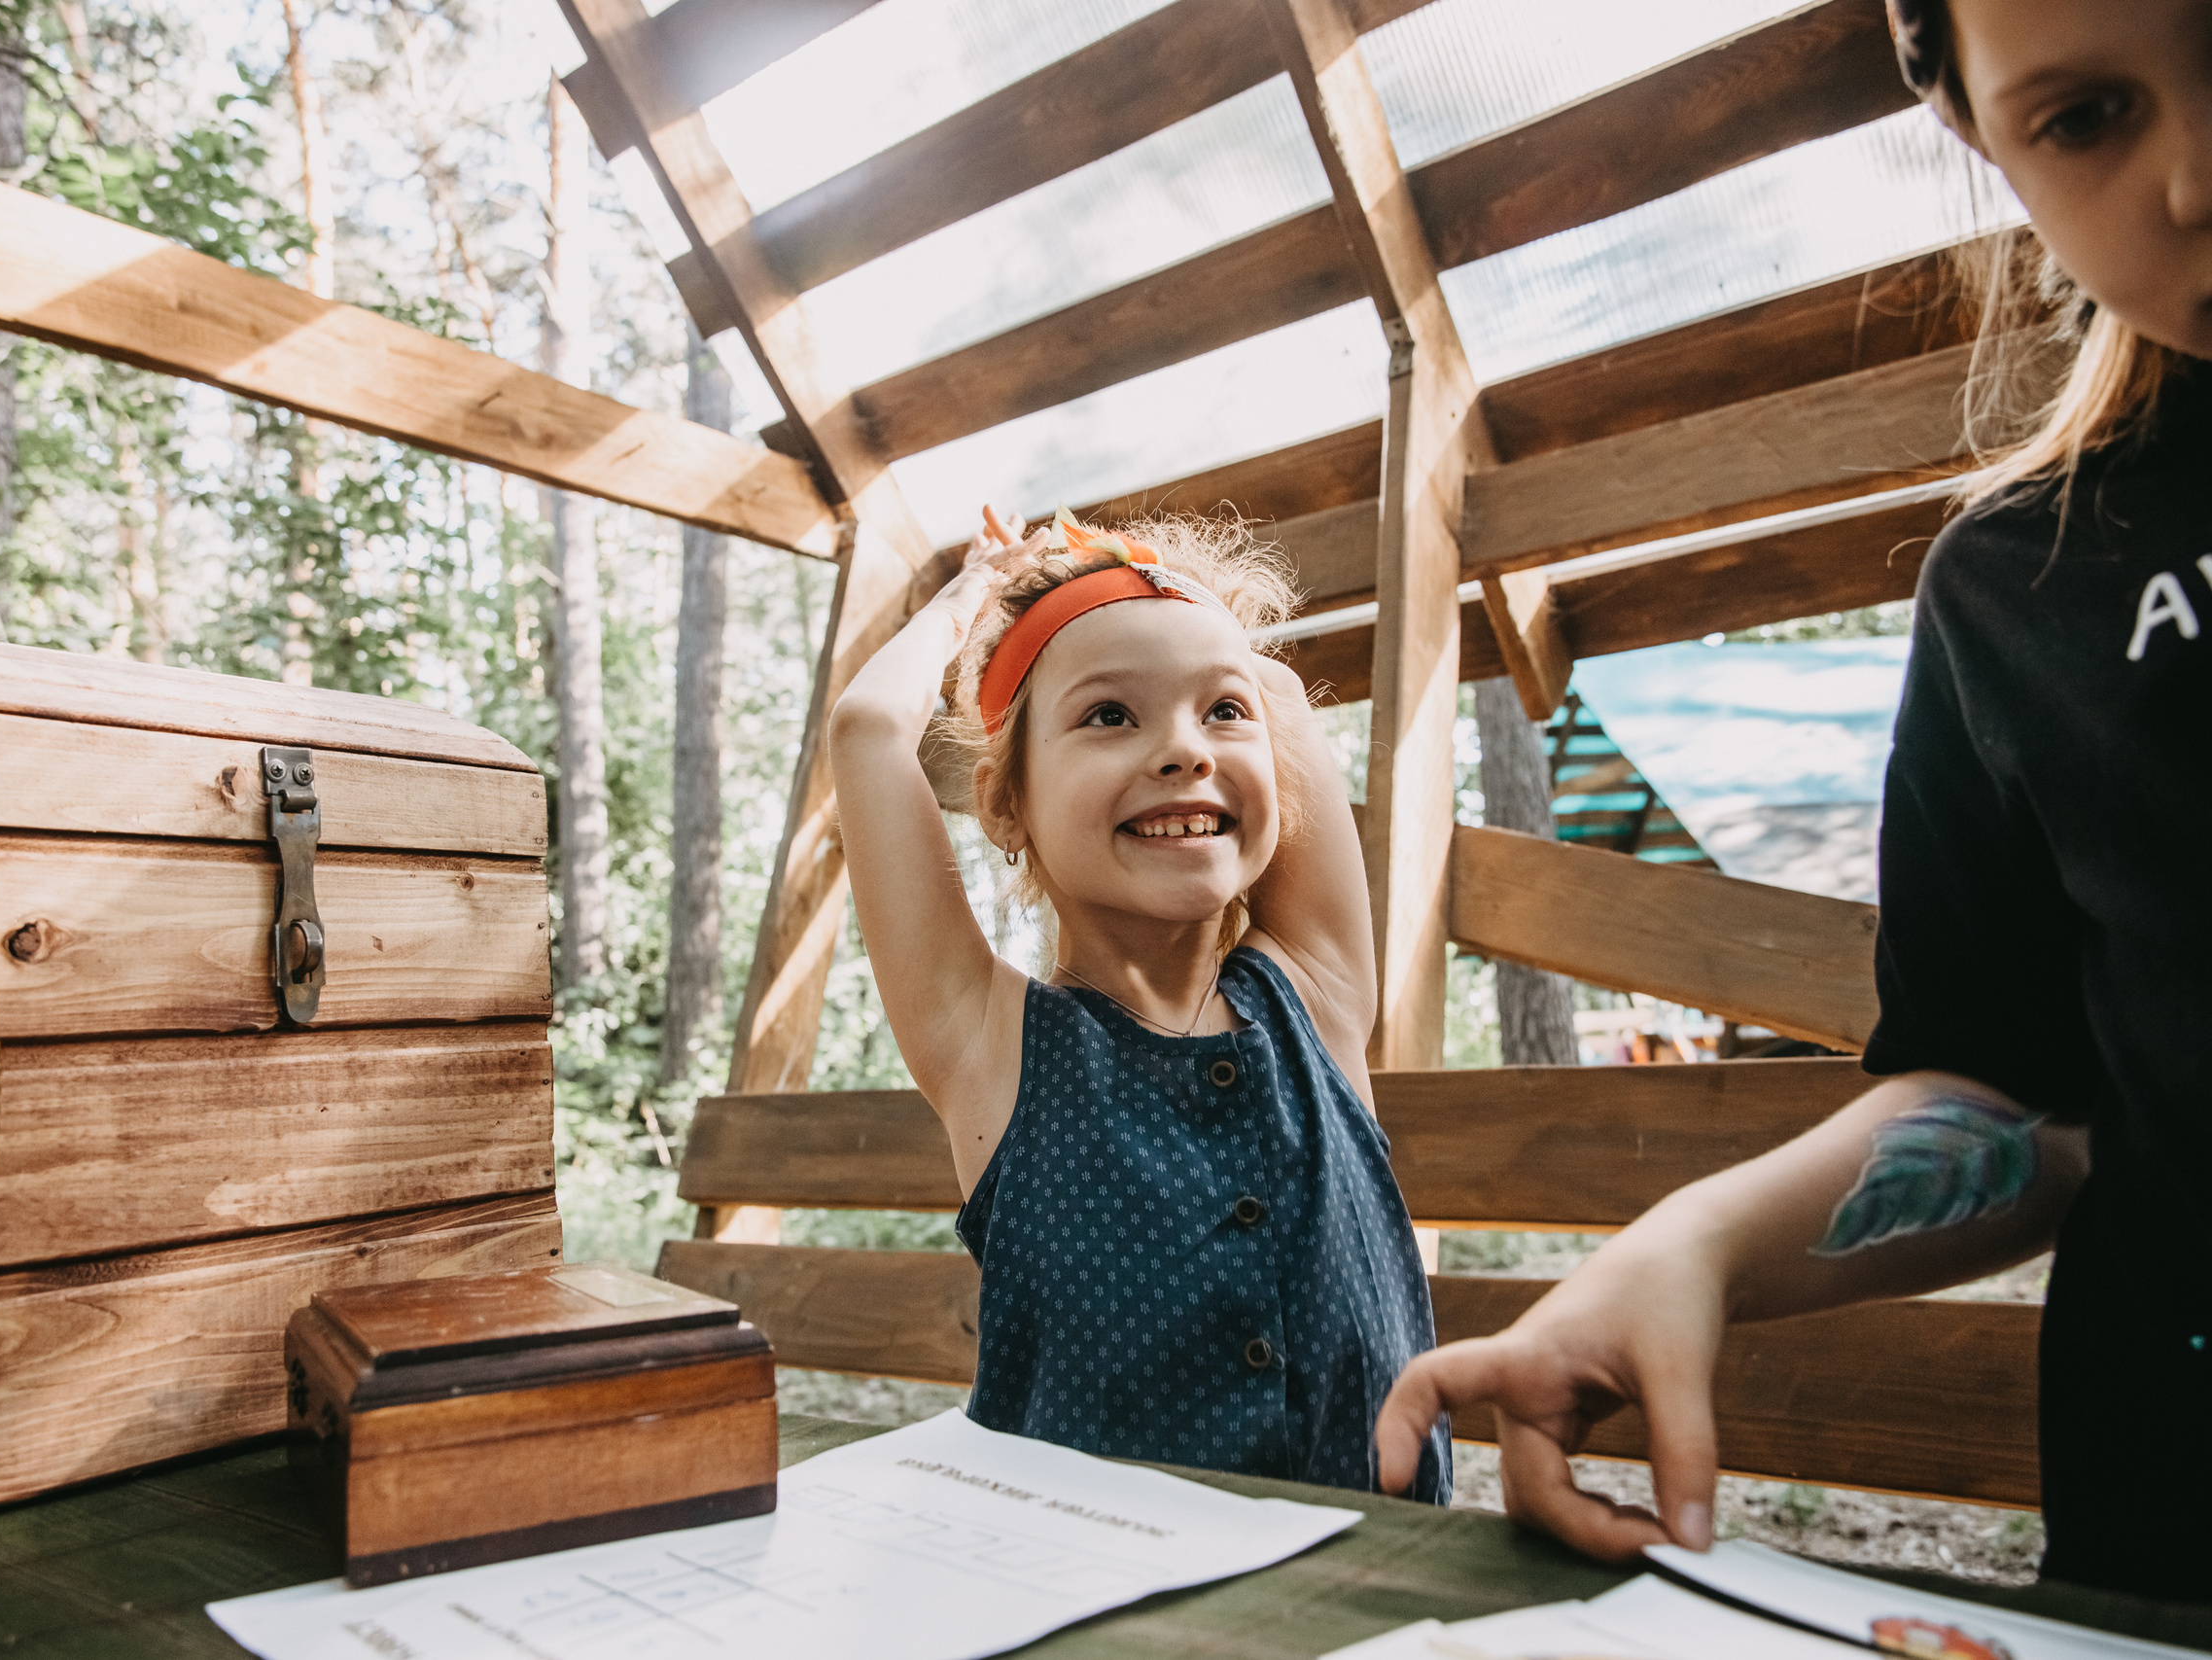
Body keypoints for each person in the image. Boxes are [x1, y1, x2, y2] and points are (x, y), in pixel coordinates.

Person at [1373, 0, 2209, 1602]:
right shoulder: (2019, 581)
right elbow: (2021, 1099)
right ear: (1983, 141)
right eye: (2089, 117)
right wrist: (1684, 1250)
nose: (2199, 175)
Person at [829, 506, 1449, 1498]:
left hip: (1372, 1597)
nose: (1184, 751)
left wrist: (1159, 585)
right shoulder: (988, 1043)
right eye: (1109, 715)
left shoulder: (1318, 996)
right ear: (1003, 804)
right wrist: (975, 595)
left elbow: (1277, 689)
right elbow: (867, 729)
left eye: (1220, 713)